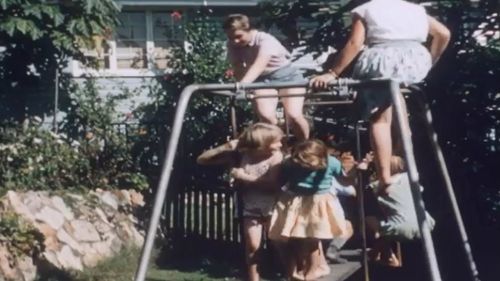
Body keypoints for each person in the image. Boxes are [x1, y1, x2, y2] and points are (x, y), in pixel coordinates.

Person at [310, 0, 451, 192]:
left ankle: (384, 175)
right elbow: (443, 34)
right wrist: (430, 61)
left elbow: (355, 43)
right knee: (396, 102)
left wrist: (333, 73)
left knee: (380, 120)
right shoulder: (415, 9)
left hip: (384, 59)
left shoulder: (366, 9)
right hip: (413, 58)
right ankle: (405, 162)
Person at [197, 123, 284, 281]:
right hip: (251, 206)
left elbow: (271, 184)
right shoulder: (243, 154)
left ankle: (289, 274)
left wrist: (244, 177)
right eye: (276, 141)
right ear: (262, 143)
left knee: (279, 243)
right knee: (252, 246)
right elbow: (202, 160)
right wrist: (226, 146)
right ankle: (253, 278)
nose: (280, 144)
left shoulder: (276, 157)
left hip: (273, 205)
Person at [269, 139, 349, 280]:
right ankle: (313, 266)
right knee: (298, 236)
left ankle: (313, 270)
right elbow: (282, 180)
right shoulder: (291, 162)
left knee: (312, 237)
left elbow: (344, 179)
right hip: (297, 200)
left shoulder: (332, 162)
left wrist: (354, 171)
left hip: (319, 202)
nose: (304, 163)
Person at [223, 14, 310, 141]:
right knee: (266, 117)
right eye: (231, 37)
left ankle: (305, 146)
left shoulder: (265, 40)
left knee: (293, 115)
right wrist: (244, 88)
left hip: (288, 77)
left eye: (238, 36)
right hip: (262, 80)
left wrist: (243, 85)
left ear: (249, 30)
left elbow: (259, 65)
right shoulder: (232, 45)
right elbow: (238, 67)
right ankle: (279, 147)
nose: (235, 41)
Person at [362, 155, 435, 266]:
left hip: (401, 227)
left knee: (371, 221)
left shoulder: (377, 185)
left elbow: (366, 197)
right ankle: (375, 253)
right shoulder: (411, 178)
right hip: (425, 223)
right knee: (392, 221)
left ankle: (388, 257)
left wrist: (364, 169)